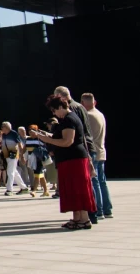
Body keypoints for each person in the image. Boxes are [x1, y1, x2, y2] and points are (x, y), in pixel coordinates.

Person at [31, 95, 95, 230]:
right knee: (72, 189)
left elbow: (67, 141)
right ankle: (77, 218)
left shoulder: (69, 119)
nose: (54, 114)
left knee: (78, 188)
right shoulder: (67, 119)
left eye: (54, 111)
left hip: (74, 159)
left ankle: (84, 219)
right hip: (70, 159)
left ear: (60, 107)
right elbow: (61, 138)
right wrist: (44, 135)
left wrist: (46, 139)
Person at [81, 93, 112, 218]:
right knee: (102, 181)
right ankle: (107, 209)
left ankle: (98, 210)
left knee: (95, 182)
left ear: (83, 104)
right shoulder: (100, 114)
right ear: (95, 102)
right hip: (101, 150)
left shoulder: (88, 116)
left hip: (93, 152)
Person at [0, 121, 27, 196]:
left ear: (6, 127)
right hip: (6, 154)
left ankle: (9, 189)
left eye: (2, 127)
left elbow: (19, 144)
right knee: (14, 171)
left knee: (10, 171)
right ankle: (24, 188)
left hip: (13, 153)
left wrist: (22, 155)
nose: (1, 128)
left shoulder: (14, 133)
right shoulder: (3, 135)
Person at [26, 124, 50, 197]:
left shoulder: (40, 139)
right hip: (31, 159)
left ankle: (34, 190)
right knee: (40, 175)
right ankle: (46, 191)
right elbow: (25, 147)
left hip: (39, 159)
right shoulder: (28, 139)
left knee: (37, 175)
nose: (31, 133)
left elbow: (46, 147)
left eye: (32, 131)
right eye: (30, 131)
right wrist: (22, 156)